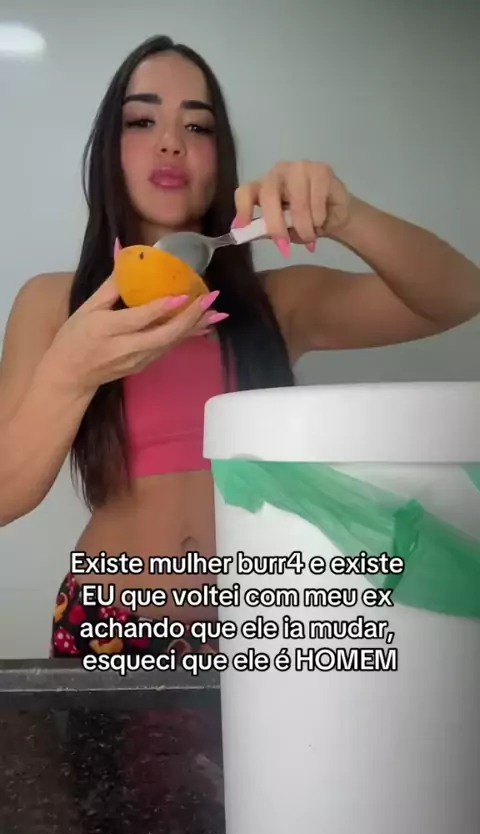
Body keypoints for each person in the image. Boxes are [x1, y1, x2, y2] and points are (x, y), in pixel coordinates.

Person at [0, 35, 479, 661]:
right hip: (105, 623)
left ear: (220, 158)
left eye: (196, 126)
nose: (170, 141)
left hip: (254, 633)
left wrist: (347, 217)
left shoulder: (277, 303)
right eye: (142, 121)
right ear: (108, 151)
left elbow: (460, 296)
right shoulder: (53, 303)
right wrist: (71, 371)